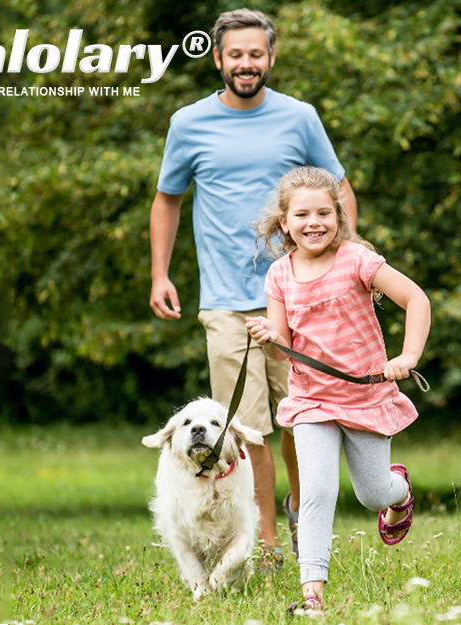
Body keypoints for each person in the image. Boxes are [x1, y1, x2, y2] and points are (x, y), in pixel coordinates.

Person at [148, 8, 358, 567]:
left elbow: (338, 188)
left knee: (302, 418)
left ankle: (300, 519)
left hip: (299, 295)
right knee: (247, 428)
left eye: (256, 54)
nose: (246, 64)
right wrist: (160, 273)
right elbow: (167, 199)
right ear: (217, 58)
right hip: (225, 301)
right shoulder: (188, 122)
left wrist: (349, 259)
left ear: (270, 57)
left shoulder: (300, 117)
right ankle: (264, 544)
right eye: (235, 54)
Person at [245, 166, 430, 614]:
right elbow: (282, 354)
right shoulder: (280, 275)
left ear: (338, 215)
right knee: (316, 491)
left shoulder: (356, 260)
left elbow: (417, 300)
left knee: (371, 494)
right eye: (303, 214)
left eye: (324, 212)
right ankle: (312, 594)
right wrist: (270, 338)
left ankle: (398, 492)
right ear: (285, 222)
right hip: (312, 400)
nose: (315, 222)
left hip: (366, 396)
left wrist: (407, 357)